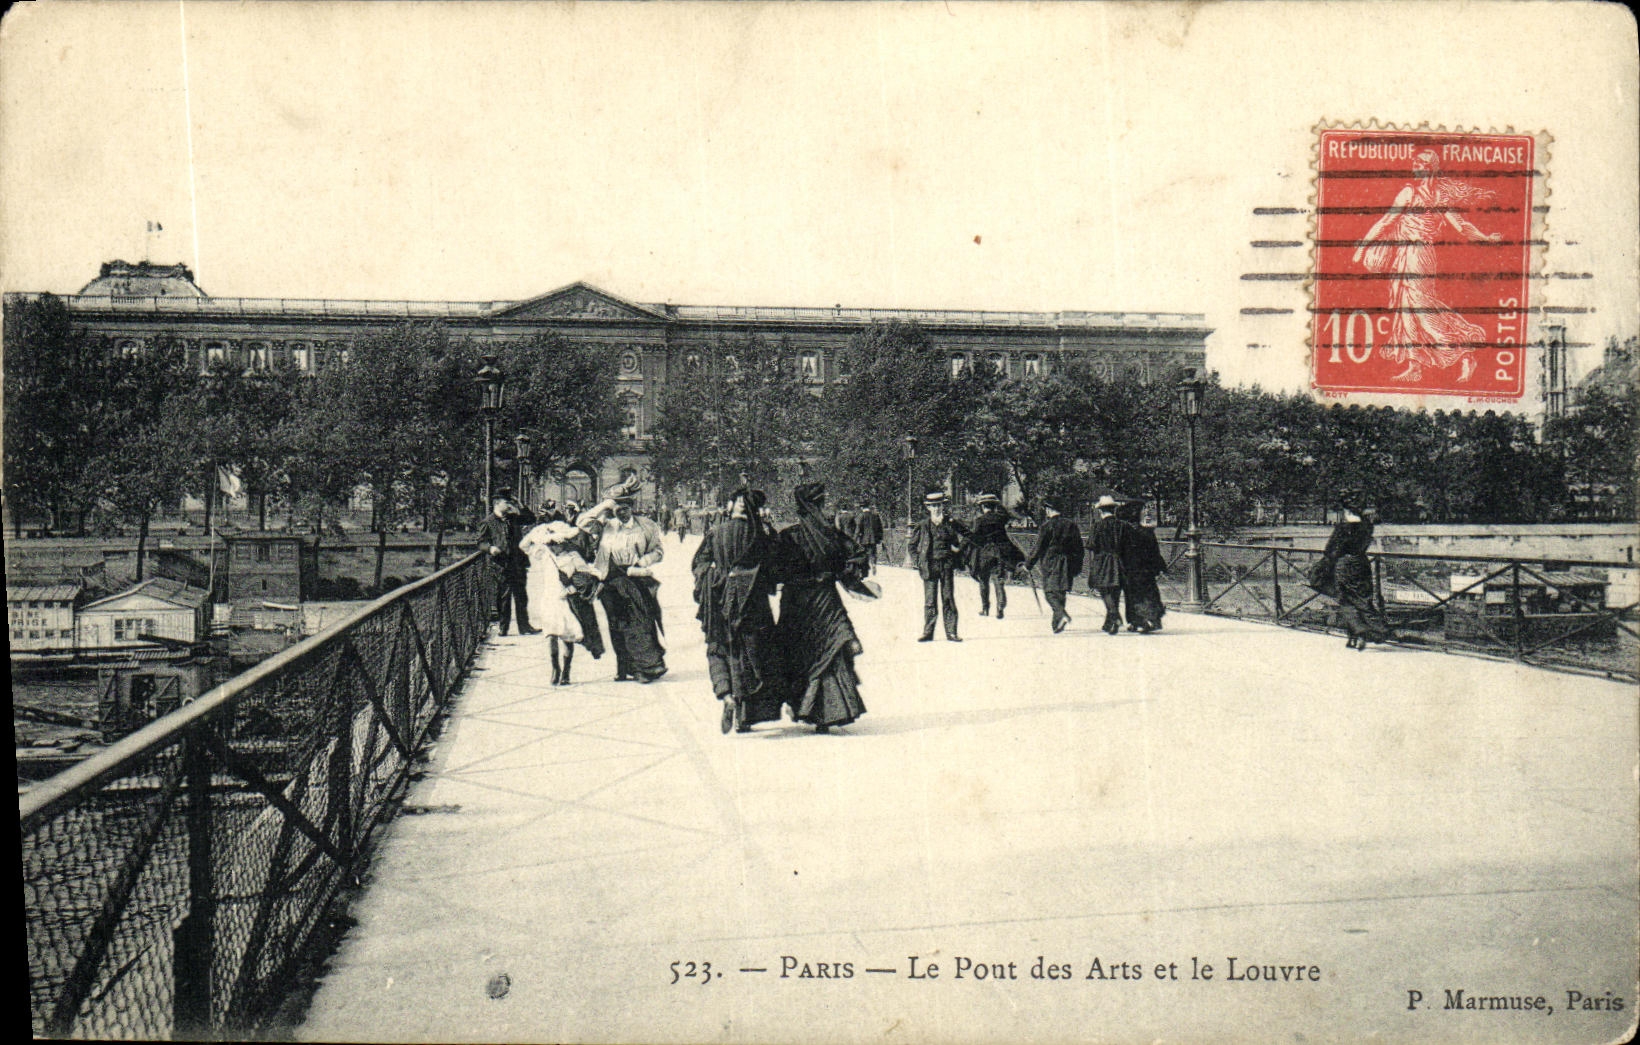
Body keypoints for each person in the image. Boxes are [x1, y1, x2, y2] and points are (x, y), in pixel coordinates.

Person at [1352, 148, 1503, 383]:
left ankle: (1464, 352)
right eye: (1415, 160)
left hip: (1420, 256)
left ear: (1430, 167)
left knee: (1423, 310)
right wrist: (1363, 246)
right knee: (1406, 311)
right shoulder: (1413, 193)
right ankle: (1415, 366)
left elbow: (1461, 226)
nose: (1415, 163)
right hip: (1406, 254)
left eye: (1421, 161)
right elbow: (1386, 221)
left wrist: (1485, 238)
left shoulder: (1430, 196)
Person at [775, 482, 873, 733]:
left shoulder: (789, 536)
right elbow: (857, 556)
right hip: (824, 600)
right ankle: (830, 712)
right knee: (831, 649)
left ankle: (808, 708)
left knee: (803, 653)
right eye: (820, 504)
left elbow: (773, 570)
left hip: (797, 603)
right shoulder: (830, 534)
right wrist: (846, 574)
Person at [692, 487, 785, 734]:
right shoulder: (761, 535)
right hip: (754, 604)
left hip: (722, 600)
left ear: (731, 505)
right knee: (752, 653)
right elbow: (775, 569)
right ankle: (745, 715)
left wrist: (715, 579)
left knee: (719, 648)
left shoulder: (717, 532)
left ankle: (726, 696)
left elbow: (698, 564)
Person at [578, 479, 668, 682]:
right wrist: (605, 505)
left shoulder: (646, 526)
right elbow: (580, 523)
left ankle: (644, 668)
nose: (622, 513)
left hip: (635, 579)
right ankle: (622, 668)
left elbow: (658, 551)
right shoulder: (605, 525)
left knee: (640, 623)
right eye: (618, 509)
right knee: (616, 624)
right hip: (609, 581)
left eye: (625, 508)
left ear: (632, 507)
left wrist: (643, 561)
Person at [519, 519, 599, 683]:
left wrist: (572, 589)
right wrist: (538, 532)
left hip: (567, 601)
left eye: (555, 544)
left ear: (563, 542)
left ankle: (567, 671)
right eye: (549, 544)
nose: (552, 547)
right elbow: (524, 546)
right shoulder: (545, 554)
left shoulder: (573, 556)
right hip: (549, 599)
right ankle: (555, 668)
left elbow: (586, 577)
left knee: (567, 635)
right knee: (551, 634)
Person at [1322, 494, 1390, 650]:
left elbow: (1331, 549)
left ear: (1347, 510)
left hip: (1345, 564)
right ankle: (1374, 631)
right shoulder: (1367, 526)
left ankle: (1361, 632)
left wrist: (1330, 560)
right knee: (1363, 598)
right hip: (1362, 563)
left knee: (1345, 599)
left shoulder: (1343, 527)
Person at [909, 490, 966, 642]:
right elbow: (912, 546)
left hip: (946, 566)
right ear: (928, 508)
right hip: (929, 566)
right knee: (930, 601)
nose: (936, 508)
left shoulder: (950, 524)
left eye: (939, 505)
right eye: (933, 506)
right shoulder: (922, 525)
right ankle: (928, 632)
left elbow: (958, 542)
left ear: (943, 506)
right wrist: (918, 562)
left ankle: (952, 633)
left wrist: (957, 550)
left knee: (948, 598)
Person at [477, 495, 537, 636]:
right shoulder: (488, 522)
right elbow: (480, 542)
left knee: (521, 596)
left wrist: (520, 504)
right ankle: (504, 628)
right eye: (506, 502)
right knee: (503, 598)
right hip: (501, 565)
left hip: (517, 564)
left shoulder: (513, 518)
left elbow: (531, 519)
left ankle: (525, 627)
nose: (509, 504)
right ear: (497, 503)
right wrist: (490, 548)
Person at [1024, 498, 1083, 633]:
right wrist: (1077, 566)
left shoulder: (1047, 526)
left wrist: (1028, 564)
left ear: (1049, 510)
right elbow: (1079, 548)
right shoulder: (1071, 525)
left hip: (1051, 562)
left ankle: (1061, 615)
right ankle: (1056, 624)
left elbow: (1038, 547)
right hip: (1067, 562)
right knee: (1061, 592)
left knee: (1049, 592)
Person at [967, 493, 1023, 619]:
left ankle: (985, 608)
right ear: (994, 506)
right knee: (998, 580)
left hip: (984, 554)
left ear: (982, 507)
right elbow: (1007, 515)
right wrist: (999, 505)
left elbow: (973, 537)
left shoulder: (979, 521)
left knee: (983, 581)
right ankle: (1000, 608)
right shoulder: (1000, 519)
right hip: (999, 553)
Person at [1117, 501, 1167, 634]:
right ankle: (1148, 620)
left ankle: (1140, 621)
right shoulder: (1147, 531)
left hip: (1132, 568)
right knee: (1148, 593)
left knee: (1134, 595)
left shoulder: (1126, 532)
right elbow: (1154, 551)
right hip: (1146, 569)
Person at [1084, 494, 1128, 635]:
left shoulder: (1097, 526)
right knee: (1115, 591)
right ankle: (1109, 623)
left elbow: (1091, 545)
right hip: (1120, 561)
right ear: (1114, 510)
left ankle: (1114, 616)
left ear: (1101, 511)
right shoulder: (1123, 526)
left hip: (1103, 561)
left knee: (1104, 590)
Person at [854, 504, 884, 573]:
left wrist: (854, 539)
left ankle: (865, 568)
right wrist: (880, 538)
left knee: (864, 553)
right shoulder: (875, 515)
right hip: (874, 539)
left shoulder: (861, 515)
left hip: (864, 539)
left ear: (862, 508)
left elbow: (858, 528)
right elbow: (880, 528)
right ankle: (873, 564)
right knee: (873, 553)